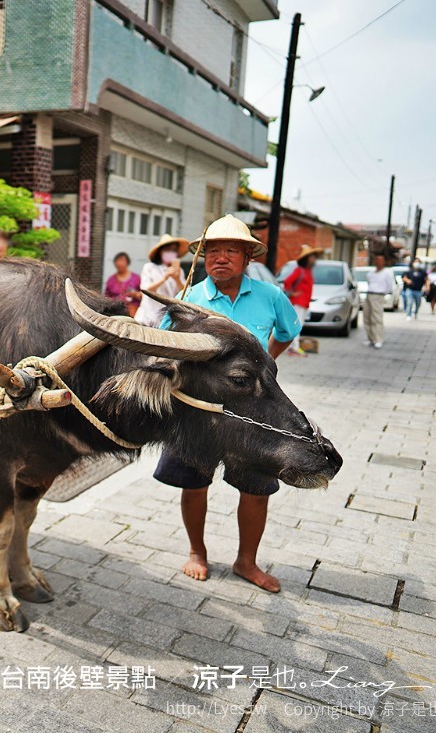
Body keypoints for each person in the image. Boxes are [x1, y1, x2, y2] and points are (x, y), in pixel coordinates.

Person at [155, 215, 301, 593]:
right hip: (199, 413)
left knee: (257, 487)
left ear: (248, 257)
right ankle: (196, 552)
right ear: (202, 258)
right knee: (194, 483)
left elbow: (287, 332)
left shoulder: (270, 296)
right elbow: (164, 351)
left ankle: (246, 562)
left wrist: (263, 369)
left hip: (254, 412)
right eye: (213, 251)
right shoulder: (189, 301)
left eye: (231, 251)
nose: (220, 258)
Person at [133, 234, 189, 327]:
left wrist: (177, 279)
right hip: (148, 317)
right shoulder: (149, 267)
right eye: (168, 250)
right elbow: (146, 289)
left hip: (167, 319)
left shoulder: (179, 271)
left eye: (174, 250)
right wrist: (164, 278)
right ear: (160, 252)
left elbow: (185, 294)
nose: (171, 253)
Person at [281, 244, 324, 356]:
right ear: (306, 258)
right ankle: (294, 348)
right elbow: (287, 281)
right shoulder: (299, 270)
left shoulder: (307, 271)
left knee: (299, 326)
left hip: (304, 303)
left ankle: (293, 347)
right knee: (296, 326)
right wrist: (292, 293)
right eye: (312, 257)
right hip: (297, 302)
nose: (314, 259)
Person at [363, 254, 393, 348]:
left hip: (378, 295)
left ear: (383, 262)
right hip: (369, 294)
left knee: (377, 318)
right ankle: (370, 338)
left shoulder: (387, 273)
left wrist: (384, 293)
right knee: (367, 317)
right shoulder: (371, 273)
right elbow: (369, 282)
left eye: (380, 260)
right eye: (377, 260)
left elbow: (389, 286)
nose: (378, 262)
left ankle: (378, 339)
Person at [103, 252, 142, 316]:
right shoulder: (111, 280)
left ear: (127, 262)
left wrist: (135, 294)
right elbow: (106, 297)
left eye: (122, 260)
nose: (120, 263)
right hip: (115, 313)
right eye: (118, 261)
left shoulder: (136, 278)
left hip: (133, 312)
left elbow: (144, 294)